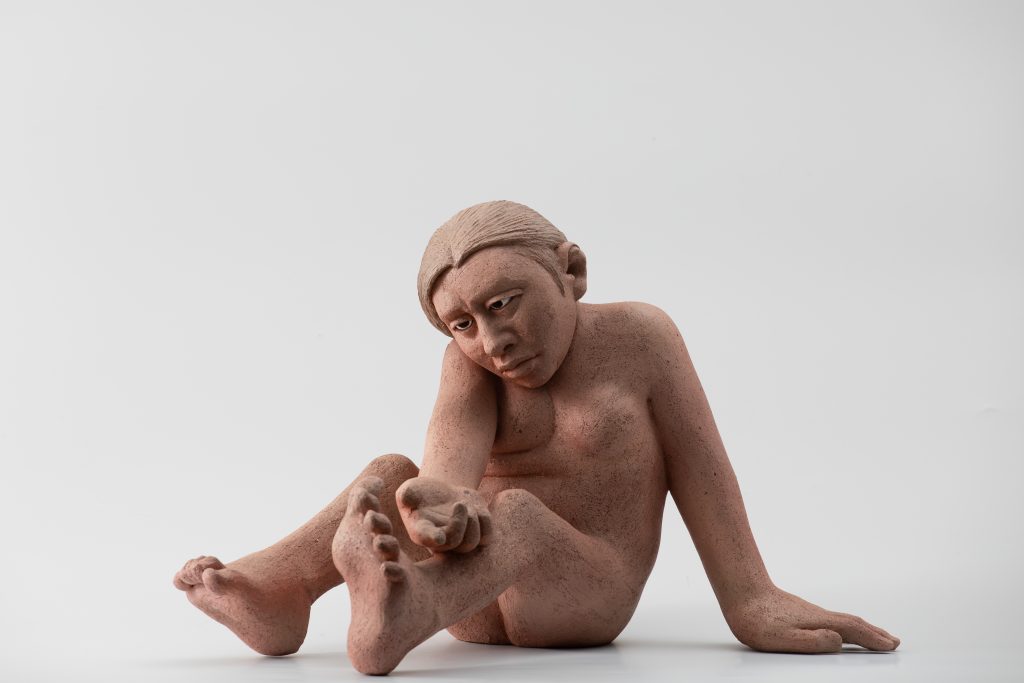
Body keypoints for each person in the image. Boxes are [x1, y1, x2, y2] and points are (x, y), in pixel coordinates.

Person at [173, 200, 900, 674]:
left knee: (516, 509)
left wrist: (750, 597)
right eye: (464, 323)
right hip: (474, 600)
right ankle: (281, 590)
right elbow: (449, 457)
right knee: (392, 472)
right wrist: (438, 504)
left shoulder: (643, 339)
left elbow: (702, 469)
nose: (491, 341)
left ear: (570, 271)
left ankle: (401, 612)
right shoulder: (467, 364)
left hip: (584, 593)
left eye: (504, 303)